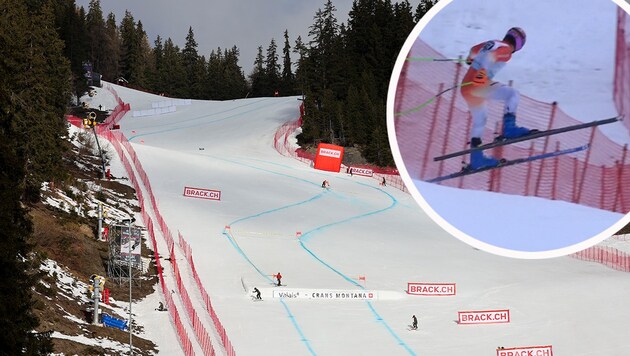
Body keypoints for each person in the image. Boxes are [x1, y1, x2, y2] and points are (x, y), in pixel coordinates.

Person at [460, 27, 535, 169]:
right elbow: (490, 57)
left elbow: (473, 50)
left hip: (466, 87)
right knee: (512, 94)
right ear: (519, 45)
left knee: (480, 120)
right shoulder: (506, 50)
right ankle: (510, 129)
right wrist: (482, 74)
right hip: (478, 85)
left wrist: (470, 60)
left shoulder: (493, 42)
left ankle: (477, 159)